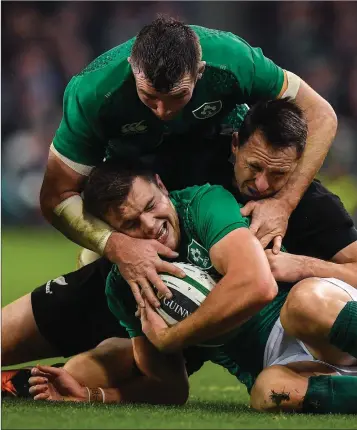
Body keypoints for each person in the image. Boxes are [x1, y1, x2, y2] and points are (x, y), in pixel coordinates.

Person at [2, 99, 355, 374]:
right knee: (87, 359)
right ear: (235, 145)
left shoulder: (315, 207)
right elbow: (106, 190)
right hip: (147, 278)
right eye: (255, 167)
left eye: (279, 174)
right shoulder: (196, 171)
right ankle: (32, 384)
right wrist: (110, 244)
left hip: (255, 327)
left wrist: (299, 265)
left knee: (127, 365)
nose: (262, 185)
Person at [40, 15, 337, 308]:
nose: (162, 111)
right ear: (133, 71)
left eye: (177, 97)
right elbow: (55, 196)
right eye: (149, 97)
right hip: (143, 180)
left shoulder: (232, 59)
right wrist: (115, 245)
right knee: (95, 265)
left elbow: (321, 114)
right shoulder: (92, 93)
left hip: (222, 159)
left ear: (200, 72)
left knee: (301, 213)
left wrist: (283, 204)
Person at [28, 160, 357, 414]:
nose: (150, 226)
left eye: (150, 206)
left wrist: (175, 337)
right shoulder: (123, 289)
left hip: (322, 315)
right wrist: (94, 396)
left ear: (162, 187)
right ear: (112, 234)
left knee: (302, 306)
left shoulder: (202, 203)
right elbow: (170, 389)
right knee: (267, 392)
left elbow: (258, 285)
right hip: (282, 364)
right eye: (130, 224)